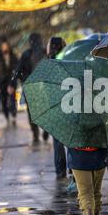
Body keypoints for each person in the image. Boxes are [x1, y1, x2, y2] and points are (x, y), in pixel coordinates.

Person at [9, 33, 48, 145]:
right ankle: (46, 129)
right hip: (43, 85)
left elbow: (18, 70)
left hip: (29, 85)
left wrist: (12, 83)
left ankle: (35, 133)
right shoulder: (46, 52)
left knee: (32, 112)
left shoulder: (26, 54)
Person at [47, 37, 68, 179]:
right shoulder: (69, 60)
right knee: (72, 142)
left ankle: (60, 170)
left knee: (58, 142)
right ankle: (74, 169)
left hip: (55, 106)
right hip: (69, 104)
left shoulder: (48, 64)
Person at [0, 39, 18, 127]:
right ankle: (6, 116)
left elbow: (16, 67)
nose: (5, 48)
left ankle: (13, 114)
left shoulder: (13, 56)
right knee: (4, 100)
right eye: (3, 46)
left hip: (11, 80)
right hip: (2, 82)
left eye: (6, 46)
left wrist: (13, 78)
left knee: (13, 99)